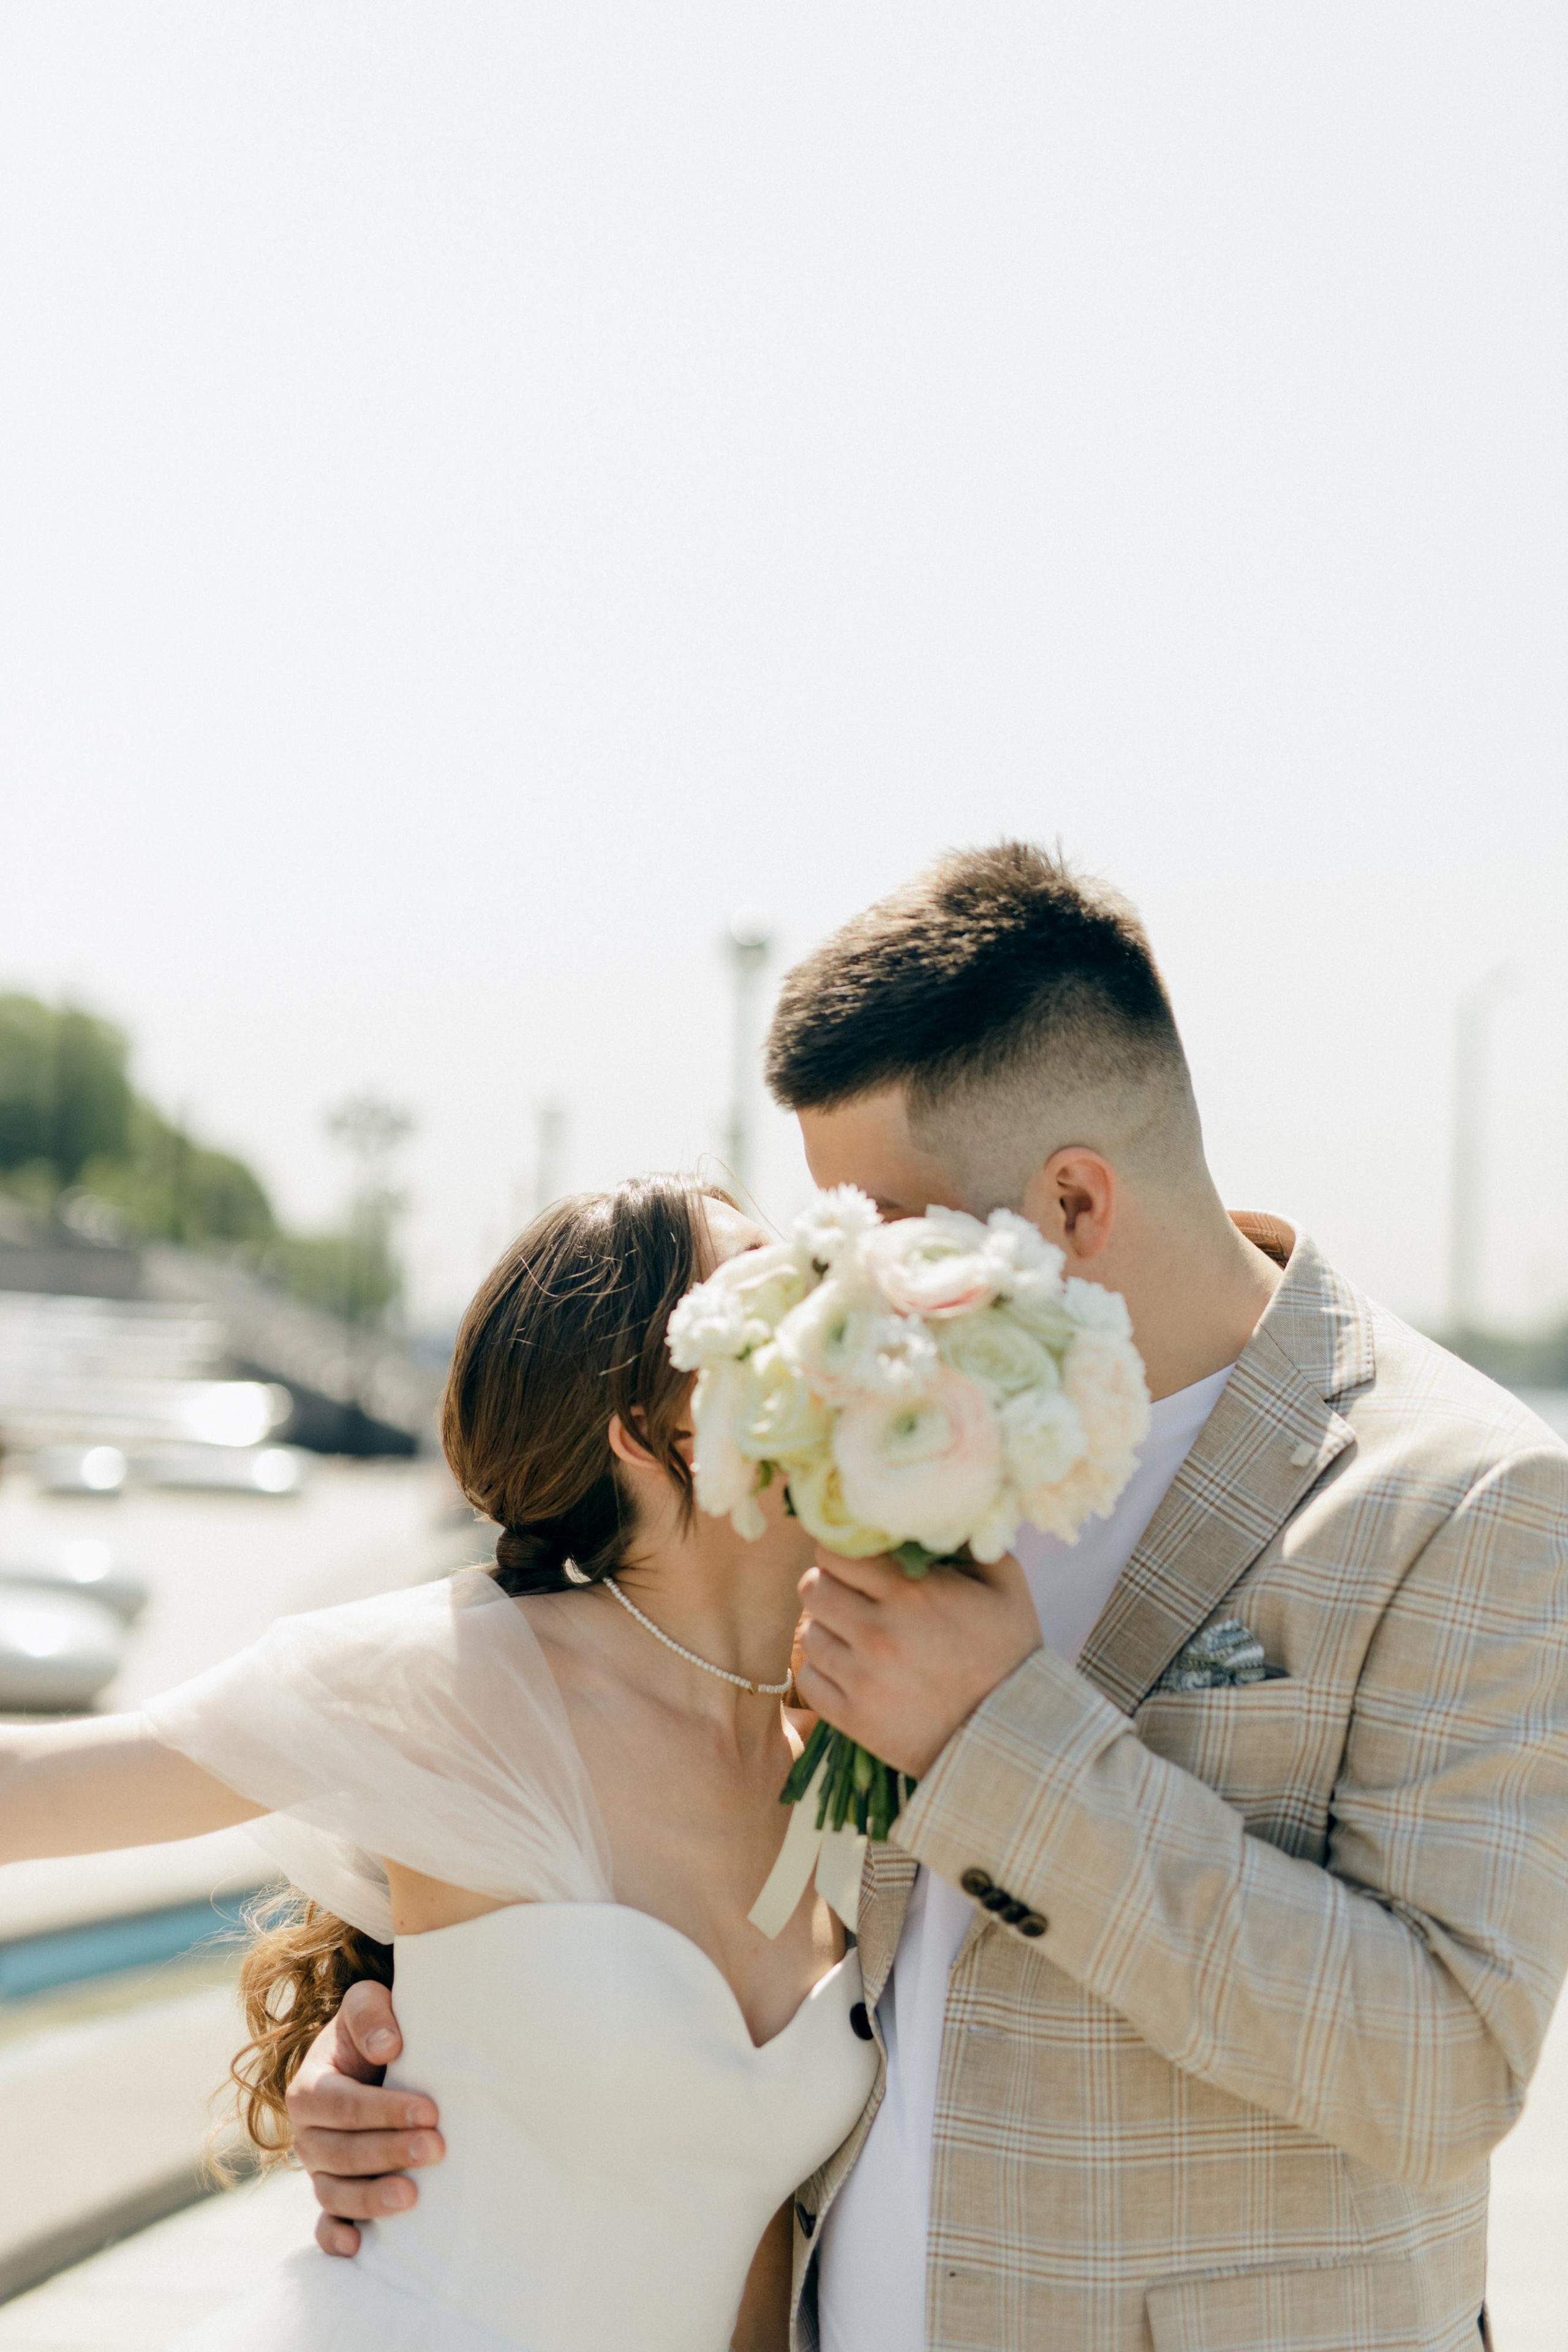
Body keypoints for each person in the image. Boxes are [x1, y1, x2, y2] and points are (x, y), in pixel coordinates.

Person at [296, 843, 1568, 2352]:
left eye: (881, 1222)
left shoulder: (1465, 1491)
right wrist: (459, 2061)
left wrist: (997, 1745)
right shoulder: (866, 1438)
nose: (842, 1274)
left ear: (1073, 1204)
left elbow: (1440, 2074)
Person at [0, 1177, 878, 2351]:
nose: (835, 1306)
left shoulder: (856, 1741)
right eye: (772, 1285)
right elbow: (33, 1789)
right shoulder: (460, 1677)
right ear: (649, 1433)